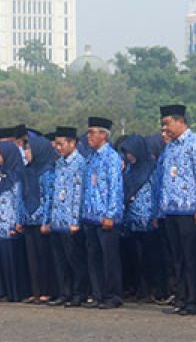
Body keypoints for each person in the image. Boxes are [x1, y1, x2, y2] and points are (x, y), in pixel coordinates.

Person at [155, 105, 196, 315]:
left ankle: (194, 300)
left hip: (190, 210)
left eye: (167, 123)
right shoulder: (170, 147)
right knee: (177, 258)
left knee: (192, 257)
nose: (165, 128)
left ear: (180, 121)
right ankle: (180, 297)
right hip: (172, 210)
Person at [81, 117, 125, 309]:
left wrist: (111, 214)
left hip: (106, 216)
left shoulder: (112, 157)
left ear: (103, 135)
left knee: (109, 258)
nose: (89, 136)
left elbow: (116, 188)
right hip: (90, 215)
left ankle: (113, 295)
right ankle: (98, 294)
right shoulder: (90, 157)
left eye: (93, 132)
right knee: (94, 258)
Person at [43, 127, 88, 307]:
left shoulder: (80, 164)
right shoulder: (59, 163)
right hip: (57, 219)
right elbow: (52, 193)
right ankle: (64, 292)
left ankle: (79, 293)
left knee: (74, 260)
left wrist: (75, 220)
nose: (58, 148)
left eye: (61, 144)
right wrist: (48, 219)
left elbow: (79, 194)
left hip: (71, 221)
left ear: (72, 143)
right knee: (60, 260)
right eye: (56, 144)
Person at [119, 134, 164, 302]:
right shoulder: (130, 170)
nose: (129, 156)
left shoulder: (152, 168)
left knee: (150, 257)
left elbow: (157, 192)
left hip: (149, 219)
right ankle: (139, 289)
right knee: (135, 258)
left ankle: (154, 290)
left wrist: (156, 214)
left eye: (131, 152)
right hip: (132, 220)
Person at [0, 142, 28, 301]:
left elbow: (20, 201)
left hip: (9, 224)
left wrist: (18, 221)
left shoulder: (16, 175)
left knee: (10, 261)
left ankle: (13, 293)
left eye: (0, 154)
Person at [21, 134, 58, 304]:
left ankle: (47, 291)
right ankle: (35, 290)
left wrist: (47, 221)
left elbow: (50, 197)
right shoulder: (27, 170)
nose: (26, 152)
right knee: (32, 259)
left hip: (42, 221)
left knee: (44, 258)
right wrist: (20, 218)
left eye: (28, 149)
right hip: (29, 219)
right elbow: (22, 196)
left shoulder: (47, 171)